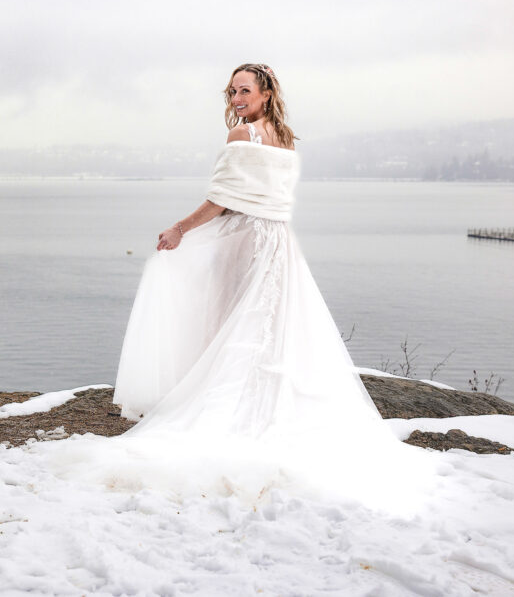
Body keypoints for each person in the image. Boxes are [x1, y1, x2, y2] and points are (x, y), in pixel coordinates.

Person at [97, 64, 423, 502]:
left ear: (266, 93)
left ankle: (230, 409)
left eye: (244, 90)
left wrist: (179, 229)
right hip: (280, 242)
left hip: (248, 239)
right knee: (269, 327)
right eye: (232, 92)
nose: (236, 99)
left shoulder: (242, 135)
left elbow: (219, 200)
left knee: (233, 321)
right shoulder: (285, 138)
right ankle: (265, 407)